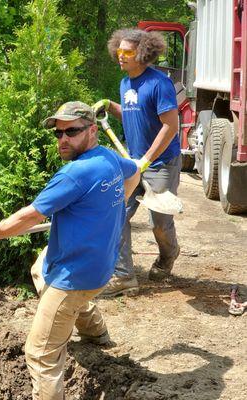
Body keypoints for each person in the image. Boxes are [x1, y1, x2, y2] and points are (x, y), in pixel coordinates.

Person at [0, 102, 140, 400]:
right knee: (40, 266)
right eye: (58, 133)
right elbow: (134, 172)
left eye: (72, 131)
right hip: (100, 265)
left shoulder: (75, 174)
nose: (63, 139)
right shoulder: (108, 159)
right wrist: (115, 210)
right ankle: (95, 332)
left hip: (75, 277)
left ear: (92, 130)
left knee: (40, 355)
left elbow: (30, 216)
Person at [93, 29, 181, 297]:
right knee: (117, 214)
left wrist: (147, 159)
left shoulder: (159, 84)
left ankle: (168, 256)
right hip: (133, 163)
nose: (121, 56)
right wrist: (110, 106)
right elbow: (135, 115)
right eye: (119, 51)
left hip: (161, 163)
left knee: (160, 224)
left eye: (127, 52)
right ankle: (123, 277)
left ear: (143, 53)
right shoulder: (124, 83)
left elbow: (171, 127)